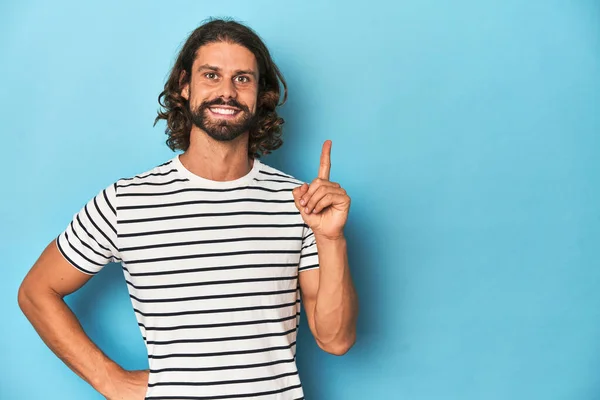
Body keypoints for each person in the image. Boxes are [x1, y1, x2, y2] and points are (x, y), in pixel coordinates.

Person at [18, 18, 358, 399]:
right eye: (211, 75)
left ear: (260, 93)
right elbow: (36, 291)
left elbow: (335, 340)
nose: (227, 92)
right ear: (185, 86)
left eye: (242, 78)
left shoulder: (301, 203)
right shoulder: (127, 202)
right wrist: (108, 378)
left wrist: (331, 238)